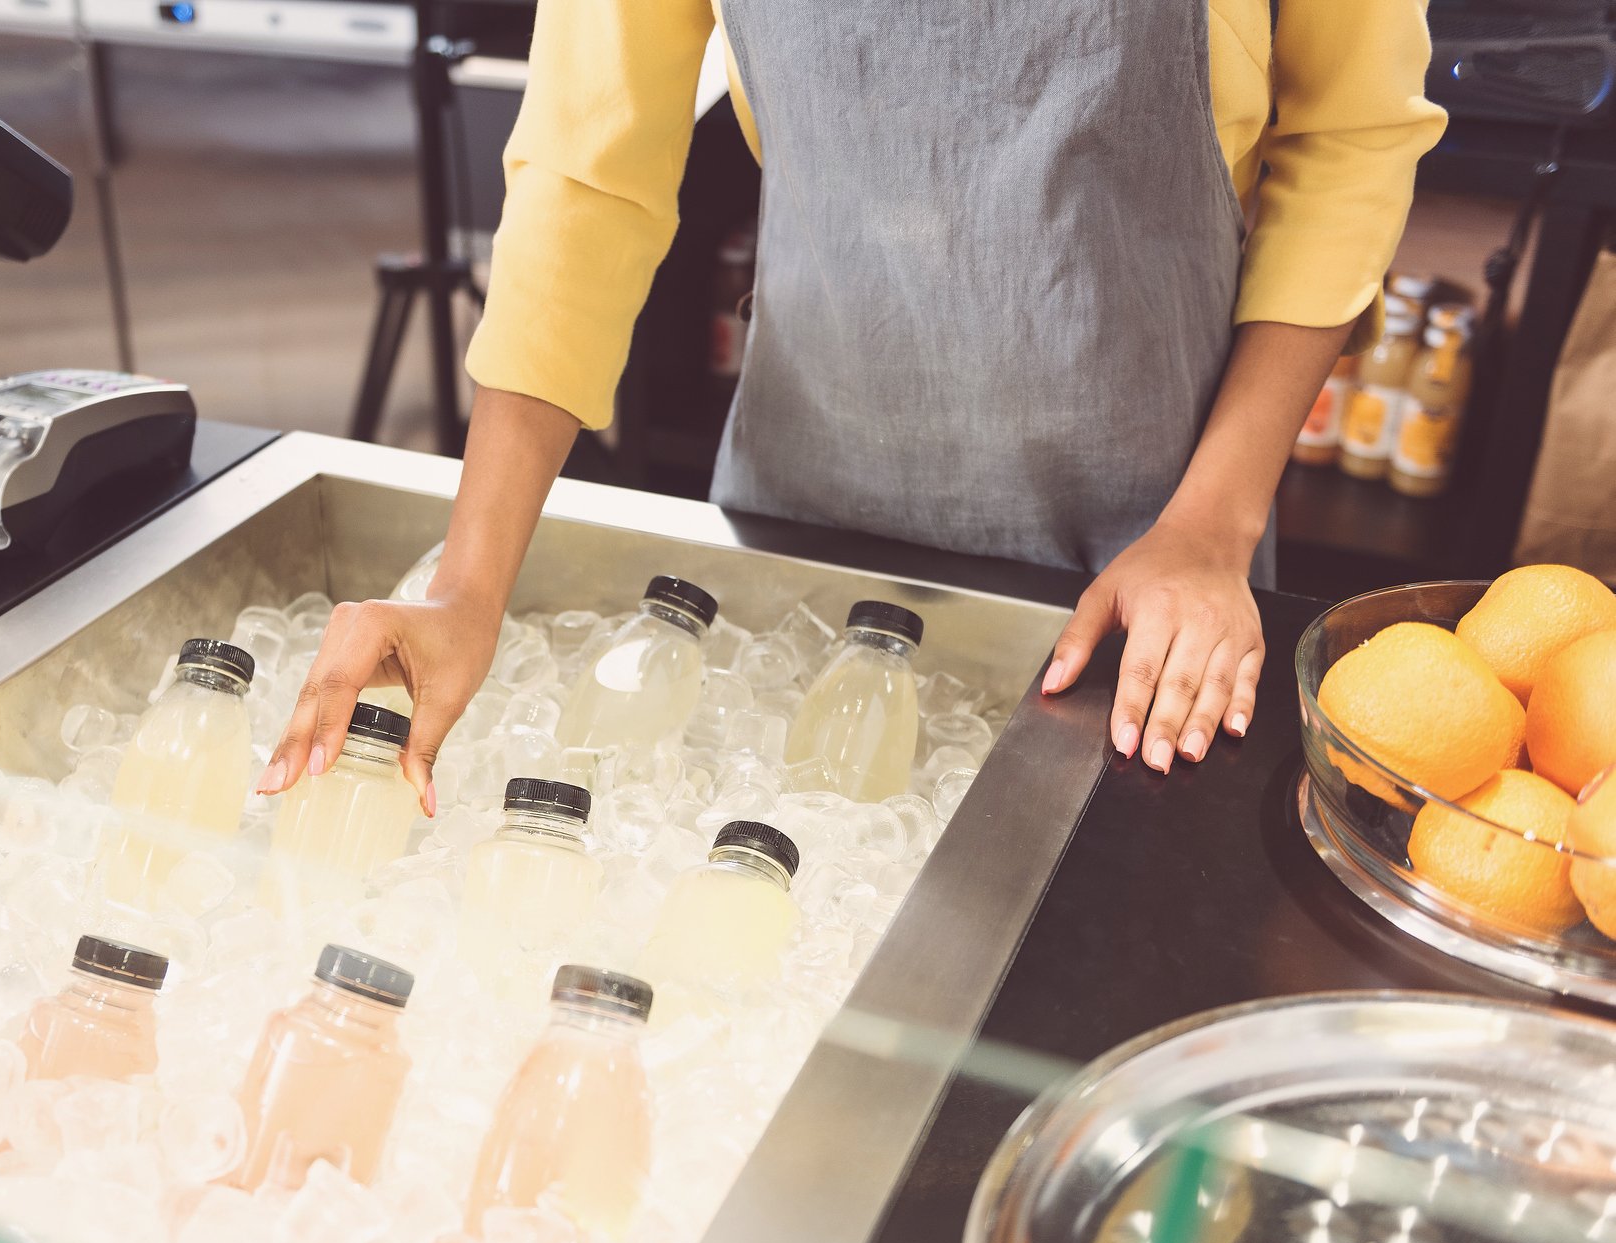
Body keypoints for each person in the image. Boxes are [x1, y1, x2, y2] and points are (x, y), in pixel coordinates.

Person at [259, 0, 1446, 815]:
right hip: (802, 513)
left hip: (1152, 565)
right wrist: (467, 585)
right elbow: (589, 173)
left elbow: (1349, 135)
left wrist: (1213, 521)